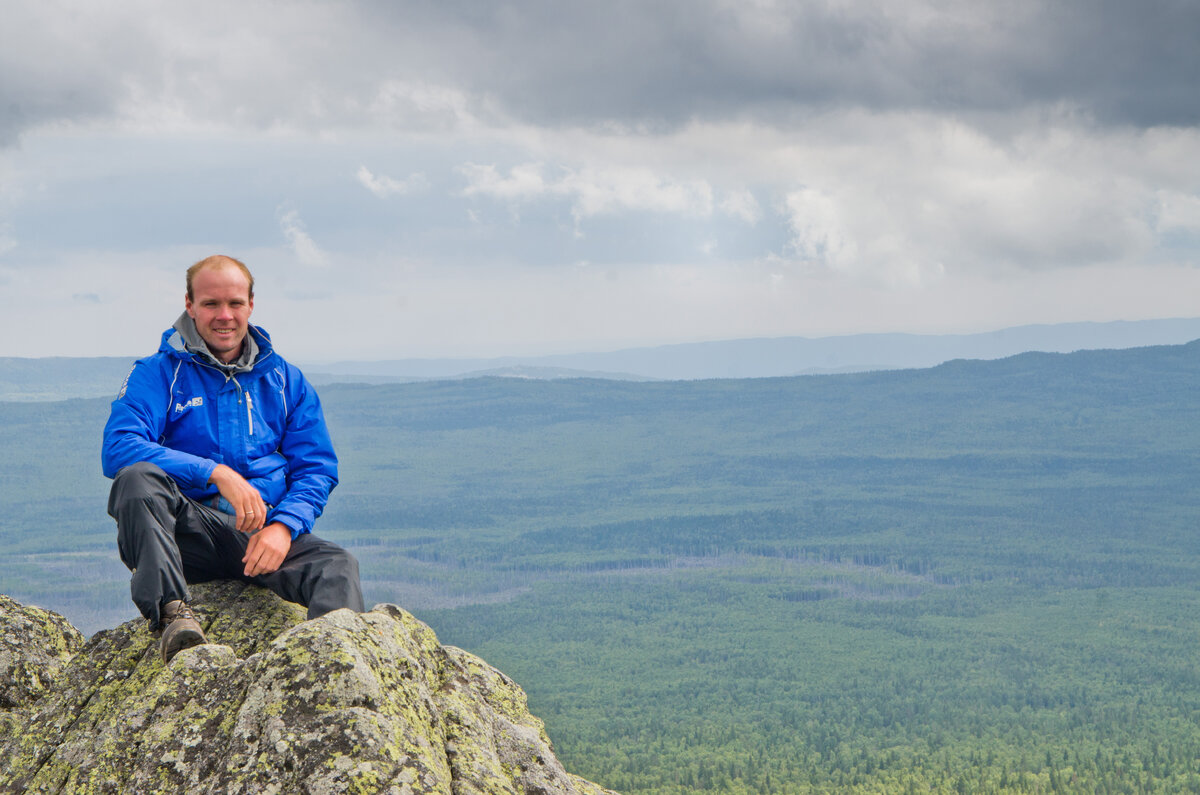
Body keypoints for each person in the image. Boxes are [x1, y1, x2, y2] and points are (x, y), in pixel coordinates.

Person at [102, 254, 364, 663]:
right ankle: (174, 617)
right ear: (189, 305)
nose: (224, 316)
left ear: (251, 306)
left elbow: (316, 468)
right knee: (136, 479)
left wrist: (283, 526)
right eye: (210, 304)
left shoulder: (283, 380)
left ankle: (329, 670)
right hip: (185, 533)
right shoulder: (158, 373)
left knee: (337, 566)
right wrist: (215, 472)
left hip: (259, 535)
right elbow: (119, 447)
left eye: (235, 303)